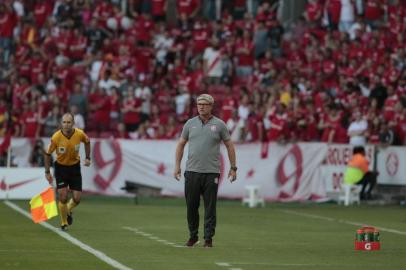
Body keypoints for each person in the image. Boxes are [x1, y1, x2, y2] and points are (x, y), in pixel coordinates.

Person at [174, 94, 237, 248]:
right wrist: (177, 165)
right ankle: (193, 236)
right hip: (192, 171)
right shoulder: (190, 124)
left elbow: (229, 145)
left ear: (211, 106)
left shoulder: (220, 125)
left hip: (211, 172)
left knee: (210, 207)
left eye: (204, 104)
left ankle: (208, 239)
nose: (201, 106)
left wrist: (233, 167)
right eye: (199, 104)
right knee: (191, 206)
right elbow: (181, 144)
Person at [44, 113, 91, 231]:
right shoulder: (56, 137)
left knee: (77, 198)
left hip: (75, 168)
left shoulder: (79, 134)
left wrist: (88, 157)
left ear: (73, 123)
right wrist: (47, 171)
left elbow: (87, 141)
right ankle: (64, 222)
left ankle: (68, 210)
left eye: (69, 122)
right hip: (61, 169)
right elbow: (48, 154)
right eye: (64, 122)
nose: (66, 125)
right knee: (63, 197)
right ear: (61, 123)